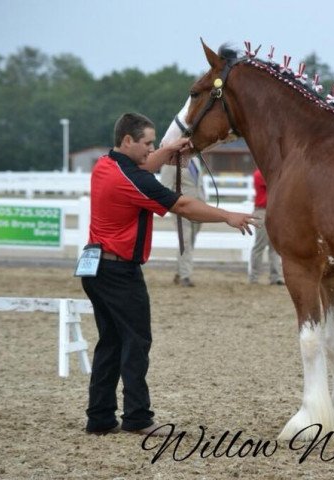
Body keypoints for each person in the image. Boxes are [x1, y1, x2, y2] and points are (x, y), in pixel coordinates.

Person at [81, 112, 256, 436]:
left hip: (96, 267)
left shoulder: (107, 166)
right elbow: (184, 206)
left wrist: (171, 148)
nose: (151, 150)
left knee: (111, 342)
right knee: (136, 341)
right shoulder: (133, 180)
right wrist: (228, 215)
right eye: (148, 143)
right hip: (120, 270)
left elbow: (143, 166)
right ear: (129, 141)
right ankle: (138, 418)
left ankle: (100, 417)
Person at [159, 156, 205, 287]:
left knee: (190, 240)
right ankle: (186, 276)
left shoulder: (195, 160)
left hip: (198, 207)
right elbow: (165, 188)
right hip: (180, 208)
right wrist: (173, 205)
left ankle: (179, 273)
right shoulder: (169, 164)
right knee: (185, 240)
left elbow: (198, 183)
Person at [248, 168, 284, 285]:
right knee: (260, 245)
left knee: (274, 247)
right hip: (262, 211)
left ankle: (275, 277)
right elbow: (276, 184)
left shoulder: (266, 172)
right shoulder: (260, 173)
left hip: (274, 210)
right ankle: (254, 276)